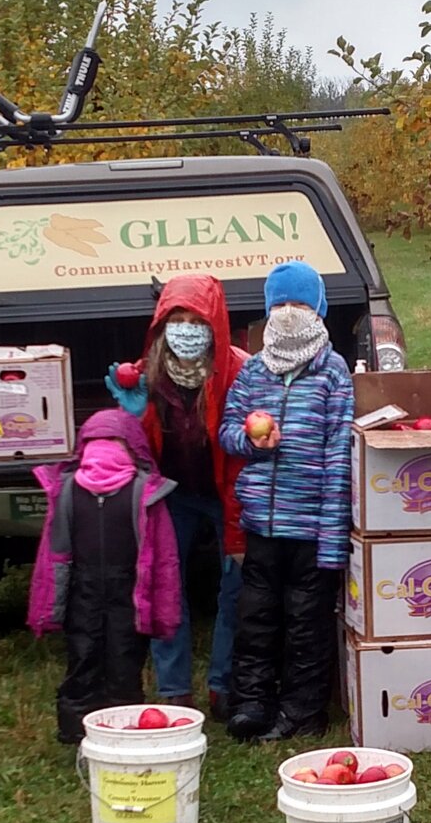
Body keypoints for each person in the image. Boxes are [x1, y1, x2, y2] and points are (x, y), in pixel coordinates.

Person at [219, 260, 355, 742]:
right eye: (279, 304)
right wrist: (249, 441)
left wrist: (333, 537)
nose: (288, 313)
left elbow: (340, 456)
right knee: (256, 617)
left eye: (298, 303)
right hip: (262, 521)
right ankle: (251, 701)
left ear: (318, 309)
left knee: (306, 623)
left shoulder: (333, 373)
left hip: (311, 524)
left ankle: (302, 711)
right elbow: (228, 429)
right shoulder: (254, 371)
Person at [103, 272, 247, 709]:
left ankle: (225, 686)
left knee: (236, 588)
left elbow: (244, 455)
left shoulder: (238, 370)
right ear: (161, 323)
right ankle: (174, 693)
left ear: (215, 322)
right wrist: (131, 416)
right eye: (176, 318)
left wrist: (238, 525)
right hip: (175, 494)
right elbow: (136, 453)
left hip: (227, 494)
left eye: (196, 319)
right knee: (165, 587)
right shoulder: (147, 373)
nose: (186, 329)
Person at [26, 409, 185, 741]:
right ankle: (78, 732)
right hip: (87, 591)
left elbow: (163, 560)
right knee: (87, 660)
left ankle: (121, 733)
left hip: (127, 592)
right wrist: (51, 606)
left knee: (120, 661)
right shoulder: (68, 490)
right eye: (98, 442)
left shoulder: (144, 492)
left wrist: (162, 610)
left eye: (112, 441)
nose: (104, 450)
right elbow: (52, 555)